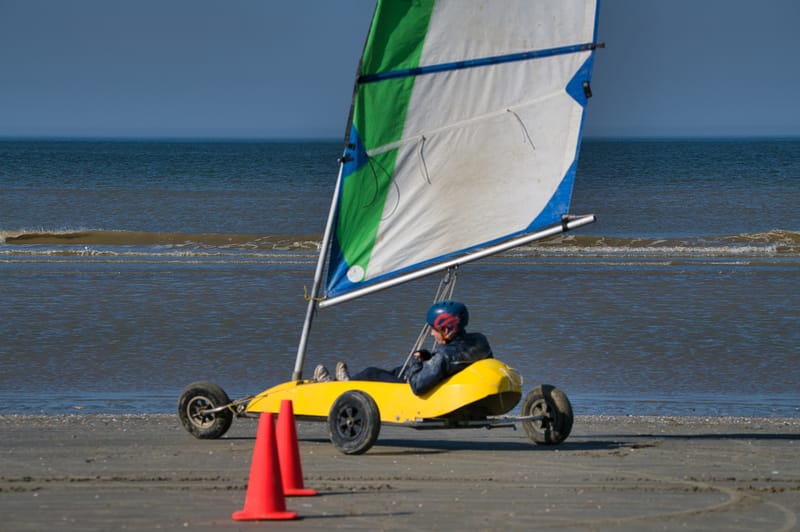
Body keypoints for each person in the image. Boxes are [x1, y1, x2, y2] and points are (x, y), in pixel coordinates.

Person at [313, 300, 493, 395]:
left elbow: (417, 386)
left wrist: (416, 362)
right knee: (399, 370)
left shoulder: (443, 356)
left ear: (446, 330)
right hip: (443, 378)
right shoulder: (479, 340)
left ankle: (337, 390)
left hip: (418, 391)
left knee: (372, 373)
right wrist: (428, 358)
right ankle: (348, 383)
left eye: (434, 329)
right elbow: (455, 356)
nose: (431, 334)